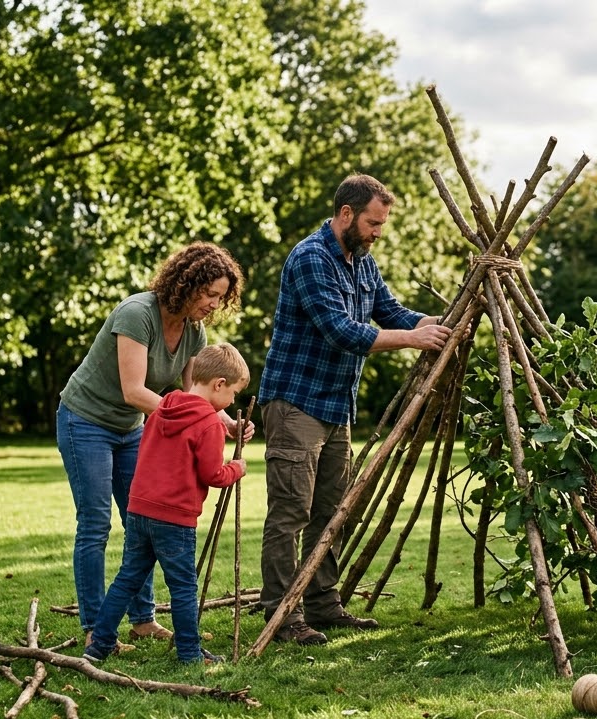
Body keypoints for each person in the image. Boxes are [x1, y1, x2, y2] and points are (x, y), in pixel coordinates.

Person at [257, 173, 451, 646]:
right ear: (346, 214)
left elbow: (391, 312)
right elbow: (341, 331)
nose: (377, 232)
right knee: (291, 512)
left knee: (329, 512)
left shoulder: (363, 263)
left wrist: (432, 322)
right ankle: (282, 615)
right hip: (296, 402)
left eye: (381, 224)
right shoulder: (310, 258)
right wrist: (413, 339)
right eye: (372, 222)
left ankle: (322, 606)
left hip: (336, 406)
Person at [57, 241, 249, 648]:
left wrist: (228, 422)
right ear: (187, 283)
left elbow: (195, 396)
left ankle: (143, 620)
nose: (214, 304)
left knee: (139, 523)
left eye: (221, 296)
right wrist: (197, 420)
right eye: (209, 294)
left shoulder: (195, 331)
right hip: (85, 420)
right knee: (95, 524)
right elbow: (134, 391)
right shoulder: (137, 314)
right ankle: (95, 628)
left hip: (132, 429)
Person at [83, 343, 249, 665]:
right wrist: (236, 469)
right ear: (218, 384)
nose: (232, 402)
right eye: (234, 393)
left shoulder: (164, 407)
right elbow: (212, 473)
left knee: (127, 578)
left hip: (140, 510)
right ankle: (190, 655)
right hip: (175, 519)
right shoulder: (210, 424)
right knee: (184, 587)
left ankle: (98, 645)